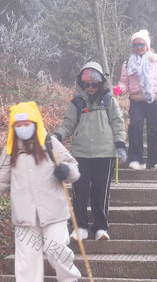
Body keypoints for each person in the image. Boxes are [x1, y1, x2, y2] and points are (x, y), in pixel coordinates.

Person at [0, 101, 83, 282]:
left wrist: (65, 172)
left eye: (27, 122)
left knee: (56, 247)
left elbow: (74, 168)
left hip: (53, 209)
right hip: (24, 212)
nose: (23, 126)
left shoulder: (49, 143)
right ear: (13, 127)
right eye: (18, 123)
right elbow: (0, 179)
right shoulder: (10, 150)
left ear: (35, 122)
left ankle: (69, 278)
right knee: (27, 256)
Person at [54, 62, 127, 241]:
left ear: (101, 82)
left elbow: (118, 123)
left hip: (105, 153)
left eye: (94, 84)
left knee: (101, 191)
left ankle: (101, 227)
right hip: (81, 153)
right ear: (82, 84)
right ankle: (80, 227)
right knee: (80, 190)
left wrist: (120, 145)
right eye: (87, 84)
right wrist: (57, 136)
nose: (91, 88)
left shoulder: (109, 101)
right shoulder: (76, 102)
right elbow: (68, 124)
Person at [113, 30, 157, 171]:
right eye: (136, 45)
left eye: (142, 44)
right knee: (135, 127)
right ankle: (135, 159)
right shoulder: (128, 62)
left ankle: (156, 160)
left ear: (147, 45)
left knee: (155, 129)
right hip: (136, 100)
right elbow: (124, 82)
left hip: (156, 98)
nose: (139, 48)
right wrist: (119, 89)